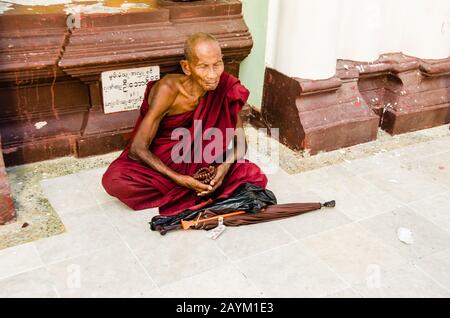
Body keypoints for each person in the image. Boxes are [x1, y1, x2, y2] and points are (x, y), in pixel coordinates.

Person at [102, 32, 268, 216]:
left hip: (203, 162)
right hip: (165, 160)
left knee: (252, 174)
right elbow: (137, 149)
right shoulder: (168, 90)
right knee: (114, 179)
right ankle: (197, 189)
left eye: (217, 65)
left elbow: (241, 143)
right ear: (187, 67)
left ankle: (204, 185)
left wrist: (223, 168)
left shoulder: (226, 87)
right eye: (203, 67)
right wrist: (181, 180)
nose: (212, 75)